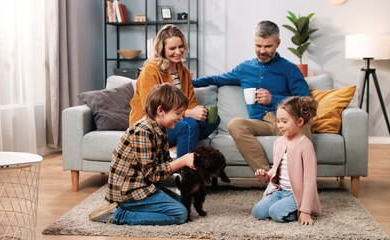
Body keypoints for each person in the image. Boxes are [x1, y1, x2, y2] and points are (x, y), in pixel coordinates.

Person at [193, 20, 310, 172]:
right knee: (235, 124)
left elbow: (305, 100)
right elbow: (216, 79)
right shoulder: (245, 68)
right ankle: (268, 177)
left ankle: (296, 178)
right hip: (260, 123)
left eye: (268, 46)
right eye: (258, 45)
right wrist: (188, 82)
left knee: (304, 125)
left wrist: (273, 99)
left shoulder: (289, 69)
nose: (262, 50)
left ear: (278, 43)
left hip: (285, 121)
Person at [90, 83, 195, 225]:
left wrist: (187, 164)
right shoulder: (143, 131)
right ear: (161, 110)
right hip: (130, 192)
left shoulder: (160, 129)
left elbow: (163, 163)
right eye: (178, 113)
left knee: (184, 205)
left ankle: (133, 209)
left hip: (144, 186)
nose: (181, 118)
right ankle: (118, 214)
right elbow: (152, 173)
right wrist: (182, 161)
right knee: (180, 215)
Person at [129, 24, 220, 158]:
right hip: (152, 126)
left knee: (213, 119)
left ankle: (173, 150)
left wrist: (198, 112)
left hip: (173, 122)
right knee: (189, 126)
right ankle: (183, 173)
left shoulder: (184, 72)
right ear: (162, 49)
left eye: (181, 46)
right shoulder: (151, 69)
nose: (178, 51)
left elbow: (191, 103)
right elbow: (151, 109)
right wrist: (188, 113)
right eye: (172, 48)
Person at [252, 96, 321, 225]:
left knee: (275, 213)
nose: (280, 126)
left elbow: (309, 182)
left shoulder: (305, 146)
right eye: (278, 121)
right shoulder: (278, 142)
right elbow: (278, 168)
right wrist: (267, 175)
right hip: (280, 191)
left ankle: (296, 211)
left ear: (299, 122)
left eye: (284, 121)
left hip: (296, 195)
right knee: (258, 211)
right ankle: (282, 207)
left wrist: (305, 211)